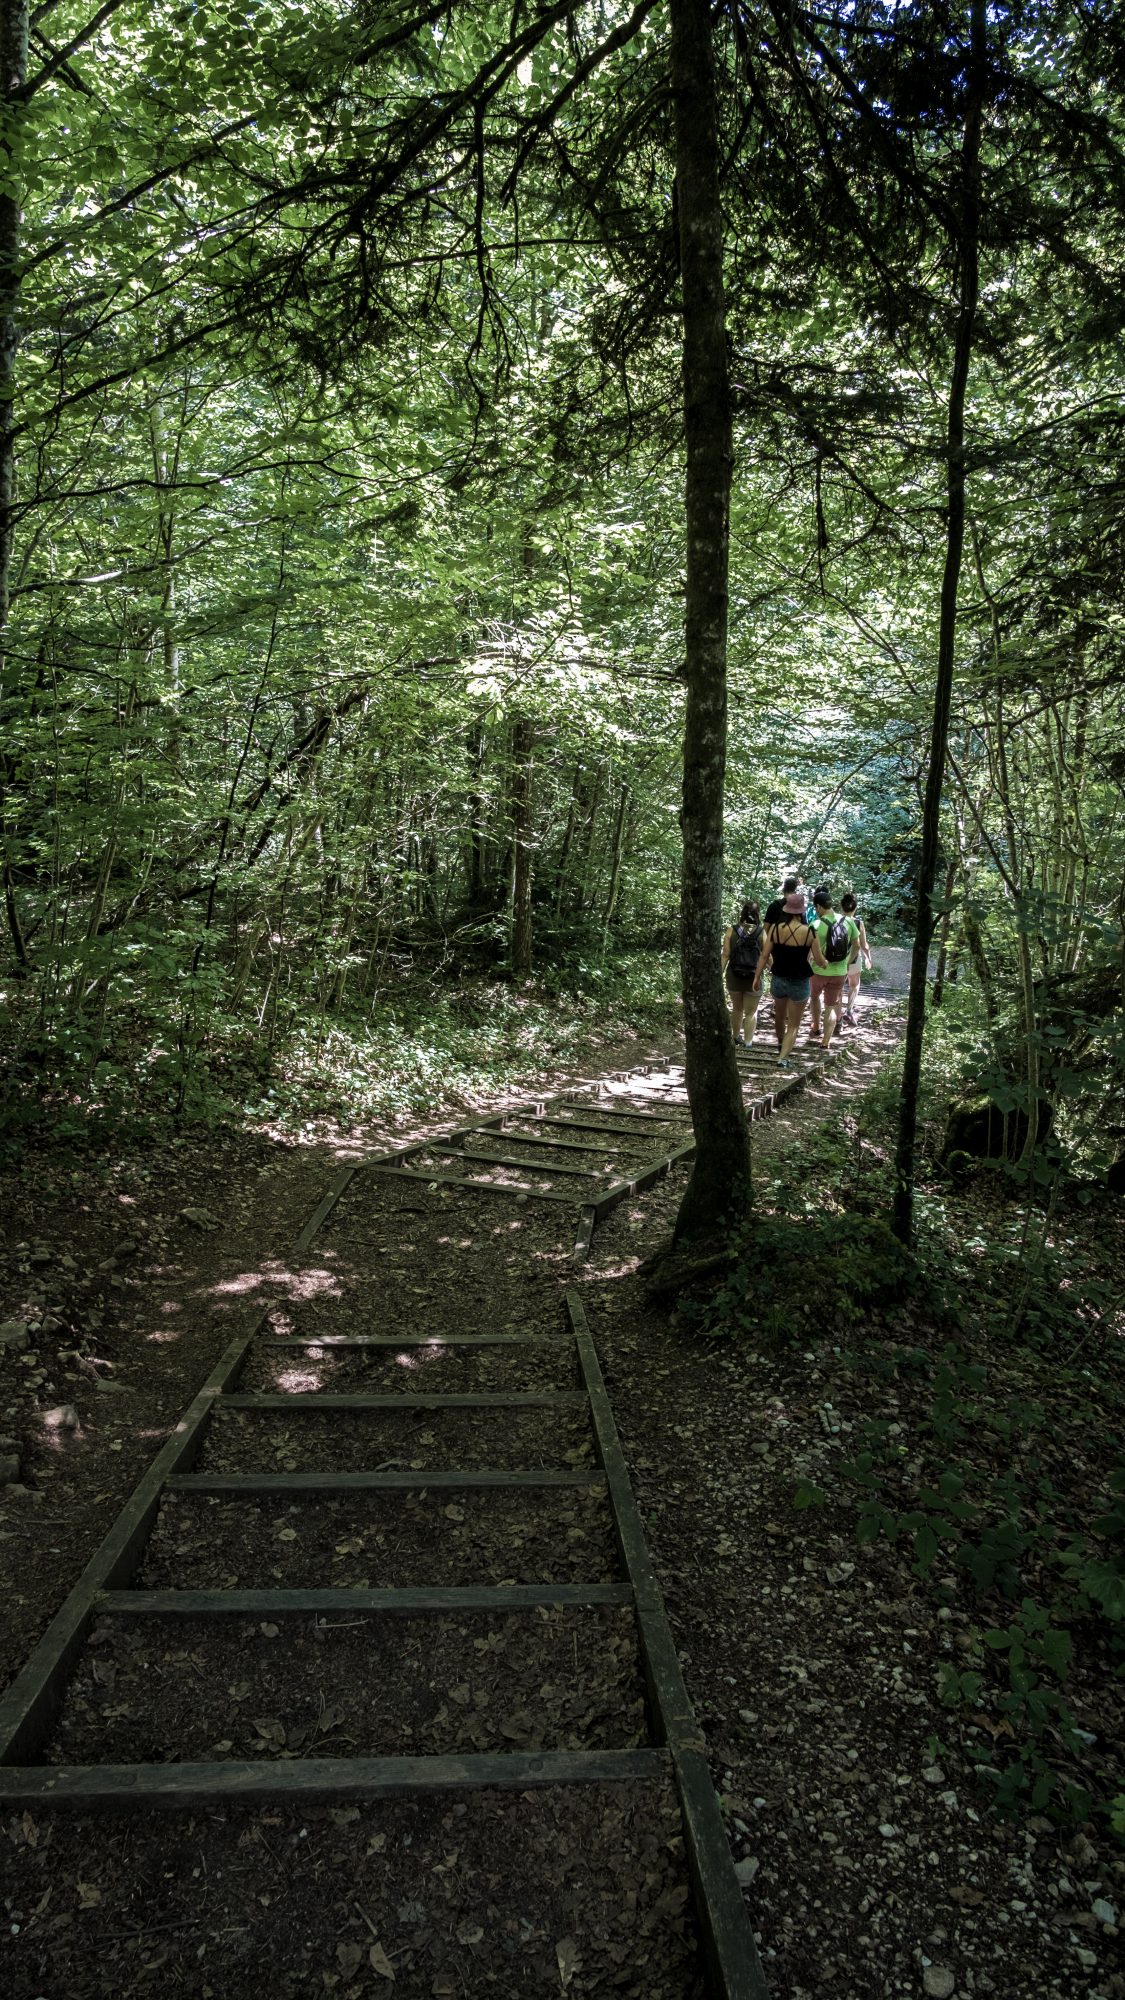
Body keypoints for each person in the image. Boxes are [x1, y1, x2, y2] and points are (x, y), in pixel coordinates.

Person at [752, 883, 827, 1067]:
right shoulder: (810, 931)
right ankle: (783, 1057)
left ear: (786, 910)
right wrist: (825, 963)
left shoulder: (776, 929)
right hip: (800, 982)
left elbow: (764, 955)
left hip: (778, 979)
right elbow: (818, 960)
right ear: (801, 911)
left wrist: (756, 976)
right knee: (794, 1023)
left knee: (779, 1016)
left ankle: (780, 1044)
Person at [807, 887, 860, 1050]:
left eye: (816, 908)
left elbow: (810, 951)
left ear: (818, 907)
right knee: (831, 1005)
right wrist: (847, 961)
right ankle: (826, 1041)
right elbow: (856, 946)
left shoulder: (815, 924)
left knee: (815, 997)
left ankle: (816, 1027)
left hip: (818, 971)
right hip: (839, 972)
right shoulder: (848, 921)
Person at [721, 900, 762, 1044]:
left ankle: (735, 1037)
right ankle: (748, 1042)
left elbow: (726, 954)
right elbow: (766, 956)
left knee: (737, 1008)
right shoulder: (762, 932)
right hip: (754, 978)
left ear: (742, 913)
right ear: (758, 914)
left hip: (734, 976)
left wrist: (719, 973)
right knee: (751, 1012)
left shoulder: (731, 930)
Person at [839, 892, 872, 1025]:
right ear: (855, 908)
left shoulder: (836, 920)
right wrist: (868, 957)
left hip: (838, 961)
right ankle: (849, 1011)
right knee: (854, 985)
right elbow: (863, 944)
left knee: (839, 988)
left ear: (841, 907)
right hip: (853, 959)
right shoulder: (859, 923)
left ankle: (838, 1016)